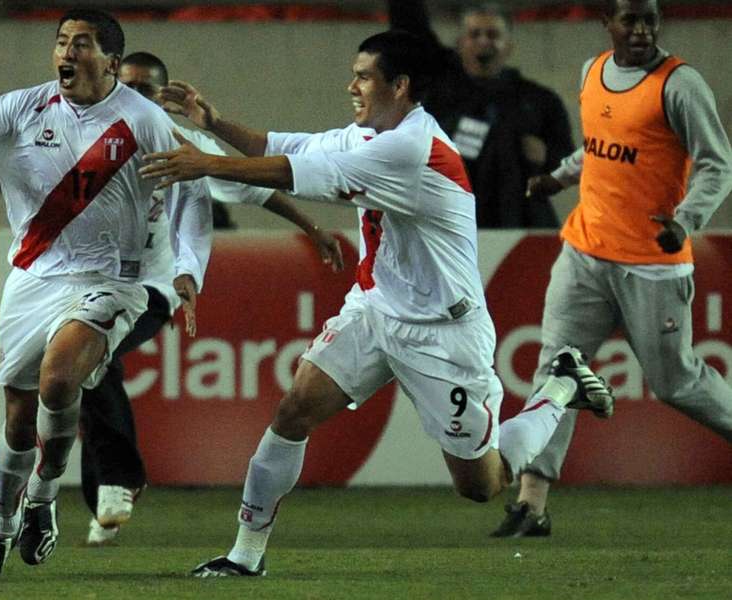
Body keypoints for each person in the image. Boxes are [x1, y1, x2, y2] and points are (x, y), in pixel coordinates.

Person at [140, 29, 614, 576]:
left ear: (401, 85)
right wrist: (214, 124)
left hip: (443, 333)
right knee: (294, 409)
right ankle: (244, 556)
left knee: (482, 485)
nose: (352, 86)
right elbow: (283, 147)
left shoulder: (411, 149)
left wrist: (207, 163)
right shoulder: (367, 135)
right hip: (375, 310)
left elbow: (294, 176)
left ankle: (559, 387)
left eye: (364, 76)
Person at [0, 9, 213, 575]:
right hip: (34, 279)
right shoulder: (22, 107)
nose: (67, 52)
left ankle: (42, 496)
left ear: (109, 60)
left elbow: (190, 192)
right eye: (61, 41)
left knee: (59, 380)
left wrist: (189, 266)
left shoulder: (142, 120)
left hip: (112, 281)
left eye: (81, 43)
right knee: (17, 418)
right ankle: (0, 525)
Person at [81, 50, 344, 546]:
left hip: (152, 288)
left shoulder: (188, 147)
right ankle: (101, 499)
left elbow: (255, 187)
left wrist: (311, 228)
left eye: (144, 89)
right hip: (90, 283)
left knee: (95, 356)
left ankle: (120, 479)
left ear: (162, 98)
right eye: (126, 85)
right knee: (73, 376)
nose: (132, 96)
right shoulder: (88, 136)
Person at [490, 0, 732, 538]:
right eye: (630, 19)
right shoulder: (592, 72)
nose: (642, 29)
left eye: (650, 18)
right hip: (584, 252)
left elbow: (718, 163)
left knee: (675, 382)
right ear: (608, 23)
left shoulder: (680, 85)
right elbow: (600, 151)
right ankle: (532, 503)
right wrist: (557, 177)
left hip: (651, 265)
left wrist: (687, 219)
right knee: (556, 369)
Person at [389, 1, 574, 228]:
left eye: (493, 34)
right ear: (460, 44)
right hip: (448, 221)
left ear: (509, 45)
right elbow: (408, 30)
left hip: (519, 223)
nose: (484, 41)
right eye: (475, 34)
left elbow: (569, 161)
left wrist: (546, 156)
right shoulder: (438, 91)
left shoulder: (538, 101)